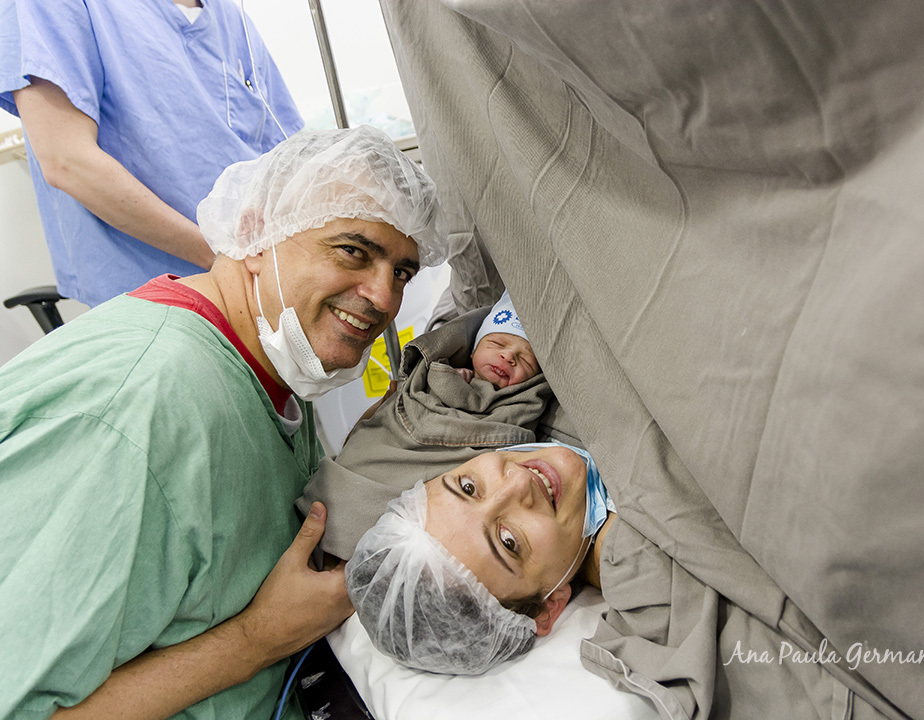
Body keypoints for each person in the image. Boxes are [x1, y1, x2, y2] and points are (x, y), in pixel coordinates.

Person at [0, 127, 444, 719]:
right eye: (353, 251)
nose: (383, 297)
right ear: (256, 234)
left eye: (402, 273)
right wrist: (256, 640)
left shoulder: (268, 360)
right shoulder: (140, 410)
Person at [0, 0, 304, 307]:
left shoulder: (227, 16)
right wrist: (224, 258)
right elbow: (67, 162)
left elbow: (286, 150)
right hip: (169, 291)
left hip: (265, 274)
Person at [345, 441, 616, 675]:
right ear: (548, 608)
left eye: (468, 487)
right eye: (509, 542)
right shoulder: (634, 549)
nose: (519, 481)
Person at [452, 289, 540, 388]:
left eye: (525, 361)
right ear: (473, 351)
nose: (508, 356)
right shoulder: (458, 378)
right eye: (497, 344)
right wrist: (450, 379)